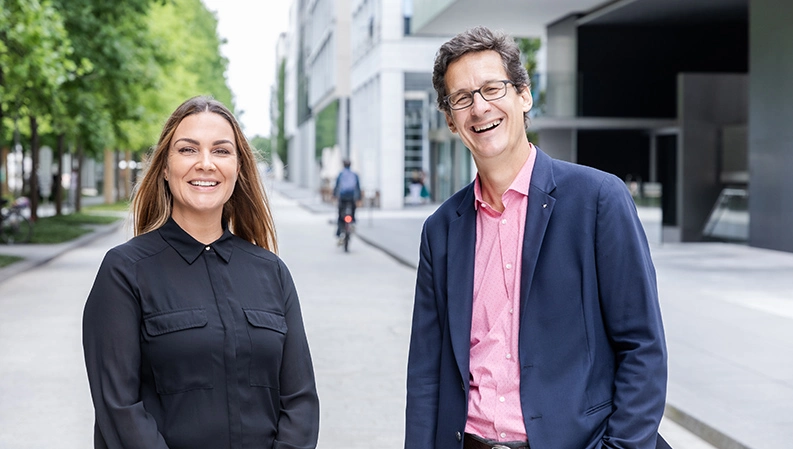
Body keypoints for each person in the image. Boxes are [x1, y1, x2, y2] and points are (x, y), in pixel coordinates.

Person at [405, 27, 668, 449]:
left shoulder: (598, 200)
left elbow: (642, 346)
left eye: (492, 88)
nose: (480, 108)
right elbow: (425, 372)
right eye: (462, 98)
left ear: (524, 95)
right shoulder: (441, 231)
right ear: (451, 120)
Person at [82, 96, 319, 449]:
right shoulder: (125, 273)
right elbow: (120, 410)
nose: (205, 164)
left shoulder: (272, 273)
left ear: (238, 169)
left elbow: (300, 402)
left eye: (221, 151)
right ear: (164, 166)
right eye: (188, 150)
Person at [332, 158, 361, 240]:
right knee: (353, 210)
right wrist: (359, 198)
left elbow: (337, 186)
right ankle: (353, 222)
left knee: (340, 214)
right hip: (352, 197)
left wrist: (334, 195)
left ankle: (339, 232)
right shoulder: (354, 174)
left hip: (343, 197)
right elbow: (358, 187)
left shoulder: (341, 174)